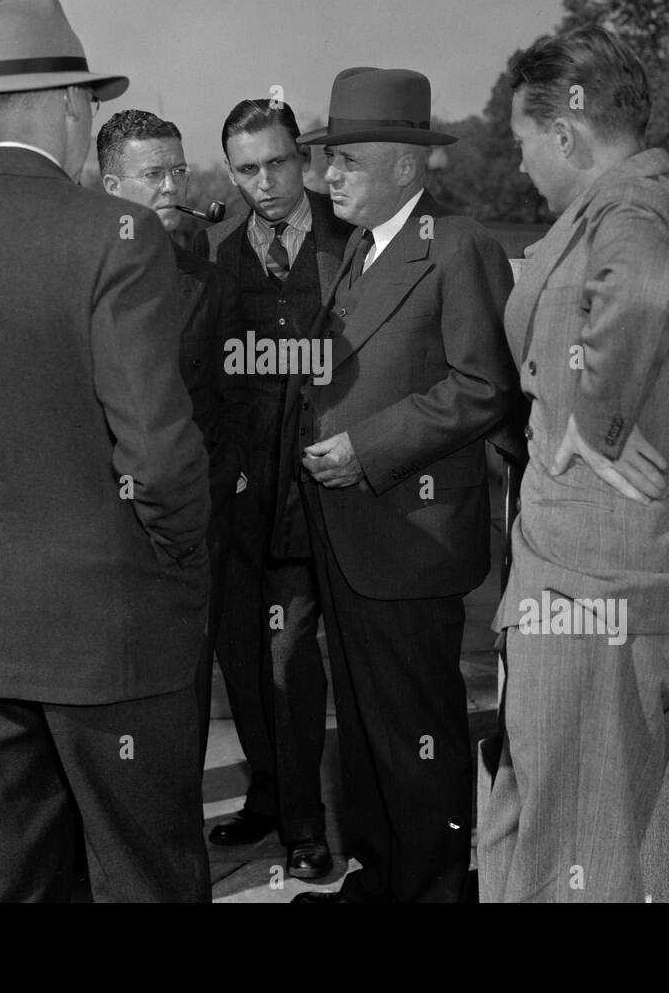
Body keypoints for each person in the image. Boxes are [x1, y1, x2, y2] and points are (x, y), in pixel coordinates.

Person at [0, 0, 213, 903]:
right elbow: (155, 444)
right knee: (148, 877)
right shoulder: (117, 234)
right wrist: (183, 553)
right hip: (114, 620)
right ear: (70, 104)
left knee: (10, 878)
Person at [475, 25, 669, 903]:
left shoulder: (629, 207)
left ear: (567, 134)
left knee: (570, 862)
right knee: (533, 831)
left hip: (593, 586)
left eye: (521, 142)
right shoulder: (662, 195)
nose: (520, 167)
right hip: (585, 576)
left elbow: (643, 287)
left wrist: (595, 421)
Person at [278, 67, 520, 903]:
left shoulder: (457, 247)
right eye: (325, 161)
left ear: (408, 167)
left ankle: (433, 892)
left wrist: (368, 447)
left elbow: (484, 385)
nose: (327, 176)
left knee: (417, 730)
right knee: (371, 729)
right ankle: (380, 879)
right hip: (348, 533)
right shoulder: (358, 252)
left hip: (409, 539)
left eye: (345, 160)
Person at [200, 99, 351, 881]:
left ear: (305, 160)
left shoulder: (351, 241)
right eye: (247, 168)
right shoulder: (218, 255)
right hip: (236, 494)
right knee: (241, 658)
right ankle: (266, 797)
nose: (264, 181)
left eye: (278, 163)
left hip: (321, 489)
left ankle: (303, 824)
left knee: (290, 657)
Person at [97, 109, 247, 771]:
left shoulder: (210, 285)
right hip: (94, 527)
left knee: (182, 686)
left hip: (187, 524)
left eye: (177, 171)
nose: (170, 187)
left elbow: (227, 409)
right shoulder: (72, 277)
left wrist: (204, 505)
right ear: (109, 186)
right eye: (153, 173)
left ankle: (174, 823)